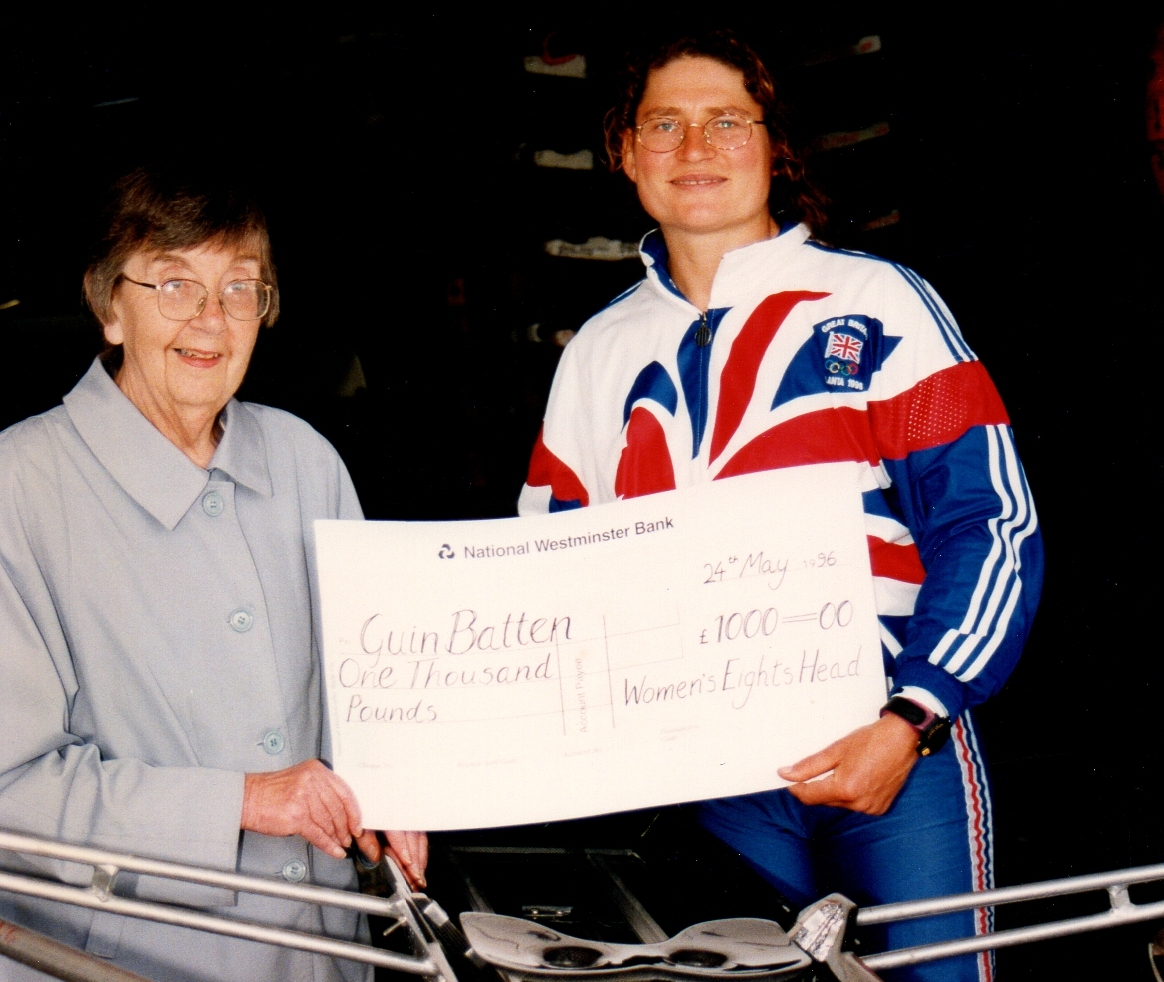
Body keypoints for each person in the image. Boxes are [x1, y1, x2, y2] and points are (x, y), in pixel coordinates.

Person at [519, 29, 1043, 982]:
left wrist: (914, 716)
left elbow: (989, 522)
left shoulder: (880, 303)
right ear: (626, 152)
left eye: (726, 121)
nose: (695, 147)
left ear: (773, 146)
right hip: (707, 777)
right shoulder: (597, 354)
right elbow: (556, 574)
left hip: (895, 751)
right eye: (664, 125)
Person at [0, 167, 426, 981]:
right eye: (173, 284)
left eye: (240, 287)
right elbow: (7, 788)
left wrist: (404, 783)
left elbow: (371, 689)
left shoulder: (305, 461)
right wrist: (245, 801)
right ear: (107, 306)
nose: (210, 319)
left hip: (326, 953)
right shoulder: (18, 488)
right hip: (124, 961)